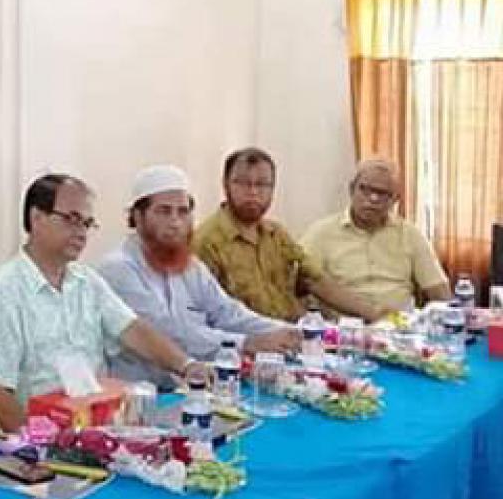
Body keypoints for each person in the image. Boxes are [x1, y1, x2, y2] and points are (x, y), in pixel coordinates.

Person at [0, 174, 204, 433]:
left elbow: (134, 330)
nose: (81, 232)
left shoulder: (86, 280)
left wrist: (186, 365)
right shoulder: (2, 293)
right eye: (72, 220)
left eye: (87, 223)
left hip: (96, 424)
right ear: (37, 218)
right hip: (38, 440)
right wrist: (36, 449)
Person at [96, 165, 301, 383]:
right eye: (164, 211)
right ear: (137, 216)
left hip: (197, 388)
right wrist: (247, 343)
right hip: (143, 395)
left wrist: (288, 332)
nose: (175, 222)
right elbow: (167, 332)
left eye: (183, 212)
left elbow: (227, 311)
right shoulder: (118, 269)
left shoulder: (189, 265)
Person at [194, 147, 382, 323]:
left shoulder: (277, 235)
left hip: (295, 338)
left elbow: (316, 280)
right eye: (243, 183)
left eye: (262, 184)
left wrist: (376, 317)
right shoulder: (206, 242)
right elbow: (206, 315)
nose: (253, 192)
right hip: (246, 346)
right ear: (225, 185)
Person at [301, 158, 450, 316]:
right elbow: (300, 281)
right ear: (351, 190)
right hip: (344, 330)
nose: (373, 199)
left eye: (383, 193)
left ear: (395, 200)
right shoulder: (321, 233)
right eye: (365, 189)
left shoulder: (410, 234)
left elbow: (438, 290)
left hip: (399, 327)